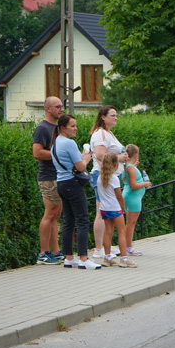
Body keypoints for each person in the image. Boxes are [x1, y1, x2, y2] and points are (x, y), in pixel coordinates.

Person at [50, 115, 100, 269]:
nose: (75, 128)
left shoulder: (54, 144)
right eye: (72, 126)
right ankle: (84, 259)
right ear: (63, 127)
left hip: (61, 183)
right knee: (83, 219)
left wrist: (82, 159)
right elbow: (80, 167)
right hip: (73, 184)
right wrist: (86, 158)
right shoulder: (69, 143)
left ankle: (69, 257)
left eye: (75, 125)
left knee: (68, 221)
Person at [89, 106, 128, 259]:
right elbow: (100, 155)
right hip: (102, 175)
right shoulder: (101, 134)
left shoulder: (108, 133)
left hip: (110, 176)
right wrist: (119, 158)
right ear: (103, 117)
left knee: (106, 211)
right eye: (112, 115)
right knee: (101, 211)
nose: (116, 117)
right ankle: (99, 248)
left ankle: (105, 246)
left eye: (116, 115)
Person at [32, 96, 65, 265]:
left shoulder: (58, 127)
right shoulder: (42, 128)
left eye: (62, 106)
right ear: (48, 109)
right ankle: (43, 253)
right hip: (48, 177)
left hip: (59, 176)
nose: (61, 109)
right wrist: (58, 154)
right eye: (57, 106)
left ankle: (56, 251)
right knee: (49, 214)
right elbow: (37, 152)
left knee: (56, 215)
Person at [97, 152, 137, 267]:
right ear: (115, 165)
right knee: (121, 232)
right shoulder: (113, 178)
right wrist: (123, 208)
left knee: (108, 232)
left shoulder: (100, 178)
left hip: (104, 208)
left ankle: (107, 257)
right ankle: (124, 259)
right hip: (115, 208)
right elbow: (119, 196)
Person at [121, 144, 152, 255]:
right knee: (131, 223)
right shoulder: (131, 168)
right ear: (135, 154)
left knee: (128, 223)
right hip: (133, 197)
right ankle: (128, 247)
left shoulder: (127, 166)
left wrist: (134, 165)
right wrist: (144, 183)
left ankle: (125, 246)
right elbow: (134, 185)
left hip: (127, 195)